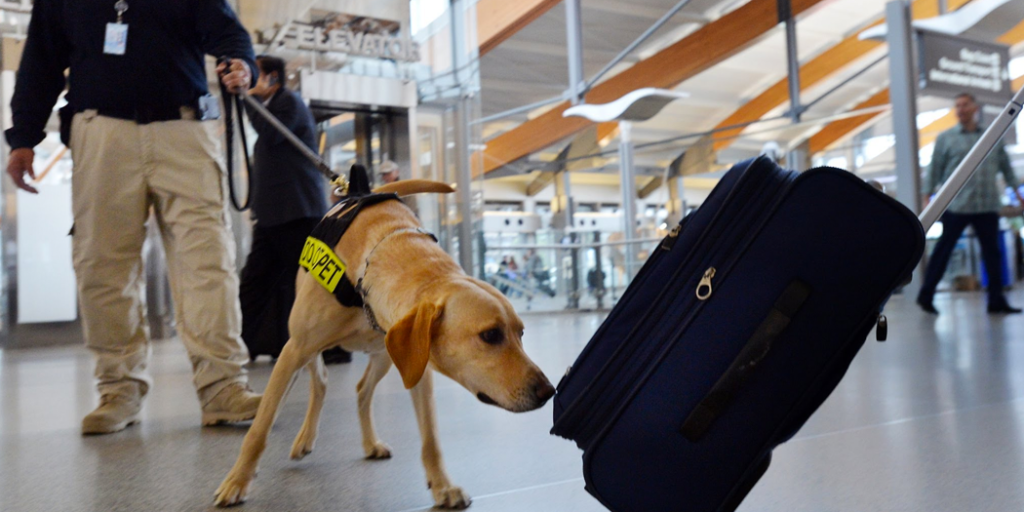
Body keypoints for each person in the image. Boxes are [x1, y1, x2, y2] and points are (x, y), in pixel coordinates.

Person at [6, 0, 263, 435]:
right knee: (102, 266)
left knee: (207, 261)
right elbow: (41, 60)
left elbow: (226, 28)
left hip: (185, 129)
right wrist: (23, 137)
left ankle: (222, 387)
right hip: (101, 131)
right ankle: (118, 388)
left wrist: (241, 64)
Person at [238, 55, 350, 365]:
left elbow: (271, 131)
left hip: (298, 212)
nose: (248, 79)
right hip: (274, 215)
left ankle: (337, 342)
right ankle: (243, 344)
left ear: (272, 77)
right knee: (256, 281)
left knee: (316, 277)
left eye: (254, 73)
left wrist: (244, 96)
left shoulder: (289, 103)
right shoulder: (273, 106)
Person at [917, 92, 1024, 315]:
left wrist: (1017, 192)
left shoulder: (991, 135)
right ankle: (925, 295)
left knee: (992, 254)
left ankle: (996, 301)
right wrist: (928, 196)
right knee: (943, 251)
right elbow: (935, 168)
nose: (961, 109)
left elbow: (1005, 166)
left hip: (986, 205)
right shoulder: (946, 138)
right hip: (957, 206)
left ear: (975, 108)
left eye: (965, 105)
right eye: (957, 106)